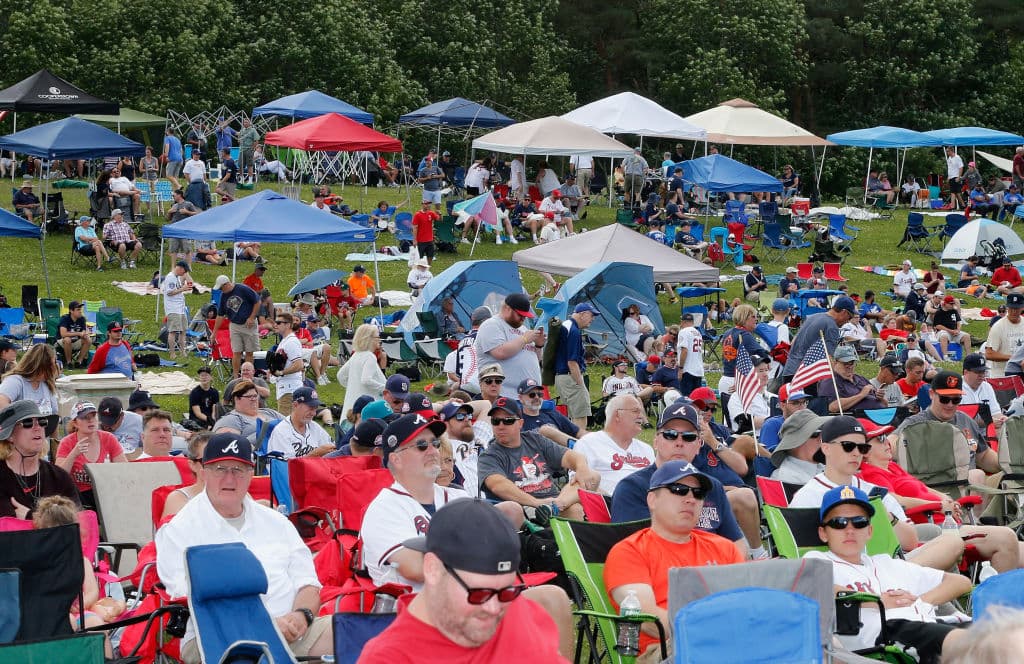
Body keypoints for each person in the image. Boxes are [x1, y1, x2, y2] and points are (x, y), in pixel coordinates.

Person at [156, 433, 332, 663]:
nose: (229, 478)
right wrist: (265, 626)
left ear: (251, 475)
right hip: (218, 637)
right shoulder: (180, 530)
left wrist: (301, 616)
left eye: (238, 469)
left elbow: (308, 584)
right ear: (203, 472)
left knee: (356, 636)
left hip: (291, 632)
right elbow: (190, 598)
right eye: (220, 469)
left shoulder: (277, 523)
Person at [360, 499, 569, 663]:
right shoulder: (391, 658)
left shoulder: (511, 611)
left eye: (507, 591)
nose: (493, 608)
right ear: (433, 569)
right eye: (480, 593)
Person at [804, 485, 970, 662]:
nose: (850, 530)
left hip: (924, 626)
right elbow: (811, 585)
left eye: (859, 522)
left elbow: (961, 582)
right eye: (839, 523)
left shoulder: (886, 563)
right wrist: (878, 602)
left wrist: (919, 601)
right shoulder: (817, 560)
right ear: (823, 533)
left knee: (985, 632)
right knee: (968, 643)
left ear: (869, 531)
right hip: (883, 636)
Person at [604, 460, 745, 659]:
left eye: (698, 493)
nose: (691, 499)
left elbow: (745, 605)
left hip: (732, 644)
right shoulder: (629, 552)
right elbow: (648, 620)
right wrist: (712, 634)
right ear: (652, 500)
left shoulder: (724, 548)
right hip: (667, 649)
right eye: (679, 490)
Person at [792, 416, 962, 571]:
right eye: (848, 446)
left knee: (952, 542)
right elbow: (802, 557)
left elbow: (910, 542)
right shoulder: (808, 496)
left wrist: (884, 514)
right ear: (826, 448)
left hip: (889, 564)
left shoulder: (873, 491)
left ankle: (899, 576)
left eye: (862, 448)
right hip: (841, 572)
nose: (856, 453)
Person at [858, 417, 1022, 572]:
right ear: (864, 450)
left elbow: (925, 488)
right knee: (1006, 537)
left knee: (1016, 546)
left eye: (886, 436)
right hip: (935, 531)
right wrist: (937, 506)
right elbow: (895, 501)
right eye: (879, 439)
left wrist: (946, 499)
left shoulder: (892, 467)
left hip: (948, 523)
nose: (887, 442)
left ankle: (1003, 590)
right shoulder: (871, 474)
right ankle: (994, 592)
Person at [610, 403, 745, 548]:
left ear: (699, 445)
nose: (679, 443)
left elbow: (737, 545)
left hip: (715, 561)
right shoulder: (632, 488)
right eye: (670, 435)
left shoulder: (712, 487)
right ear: (656, 442)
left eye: (688, 437)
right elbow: (634, 550)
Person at [477, 397, 601, 520]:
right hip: (526, 508)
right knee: (577, 509)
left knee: (593, 476)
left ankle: (555, 506)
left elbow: (571, 456)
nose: (501, 426)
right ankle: (556, 508)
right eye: (495, 421)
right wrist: (536, 503)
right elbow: (498, 485)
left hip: (555, 501)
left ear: (520, 423)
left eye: (508, 420)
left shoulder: (534, 439)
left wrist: (582, 468)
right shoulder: (489, 456)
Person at [0, 400, 75, 518]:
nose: (38, 427)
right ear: (10, 436)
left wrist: (31, 516)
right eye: (27, 423)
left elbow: (76, 521)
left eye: (42, 422)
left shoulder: (59, 477)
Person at [572, 395, 655, 495]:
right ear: (617, 415)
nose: (641, 416)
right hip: (608, 501)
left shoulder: (646, 449)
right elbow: (577, 484)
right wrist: (609, 499)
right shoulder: (589, 443)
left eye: (641, 412)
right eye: (635, 411)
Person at [55, 401, 127, 509]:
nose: (90, 420)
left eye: (93, 416)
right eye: (84, 417)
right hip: (79, 498)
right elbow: (58, 478)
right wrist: (73, 455)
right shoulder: (67, 442)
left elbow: (124, 470)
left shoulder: (109, 438)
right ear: (75, 423)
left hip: (106, 493)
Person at [475, 293, 544, 400]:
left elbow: (536, 360)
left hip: (528, 396)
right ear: (507, 309)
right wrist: (524, 339)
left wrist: (539, 345)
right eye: (520, 315)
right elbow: (500, 352)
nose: (523, 319)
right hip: (505, 396)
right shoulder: (492, 325)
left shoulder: (523, 329)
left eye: (525, 316)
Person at [554, 303, 599, 430]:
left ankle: (571, 440)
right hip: (570, 377)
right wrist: (580, 384)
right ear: (582, 314)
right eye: (591, 315)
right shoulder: (574, 331)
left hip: (561, 376)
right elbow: (572, 362)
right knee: (580, 417)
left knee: (573, 417)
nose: (593, 319)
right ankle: (578, 442)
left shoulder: (565, 325)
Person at [211, 275, 261, 379]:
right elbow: (220, 315)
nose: (221, 290)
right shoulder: (223, 296)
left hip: (248, 324)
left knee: (249, 352)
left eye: (221, 288)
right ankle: (235, 376)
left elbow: (257, 301)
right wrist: (214, 332)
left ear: (227, 284)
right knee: (236, 351)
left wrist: (252, 317)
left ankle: (248, 376)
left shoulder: (243, 289)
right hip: (234, 325)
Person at [817, 345, 889, 413]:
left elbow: (885, 404)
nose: (849, 366)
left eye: (852, 363)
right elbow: (832, 407)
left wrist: (881, 398)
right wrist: (861, 395)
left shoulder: (860, 379)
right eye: (845, 363)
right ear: (835, 362)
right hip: (858, 418)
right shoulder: (830, 381)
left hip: (882, 414)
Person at [265, 387, 333, 459]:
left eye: (315, 409)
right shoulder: (281, 432)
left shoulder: (314, 427)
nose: (314, 413)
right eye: (310, 408)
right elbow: (286, 465)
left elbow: (332, 448)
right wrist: (314, 455)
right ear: (295, 405)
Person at [336, 324, 386, 414]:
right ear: (369, 339)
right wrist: (385, 388)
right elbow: (366, 380)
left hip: (352, 405)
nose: (380, 339)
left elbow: (340, 375)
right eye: (377, 337)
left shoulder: (356, 355)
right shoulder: (370, 356)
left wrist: (353, 387)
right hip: (366, 408)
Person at [161, 432, 212, 519]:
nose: (216, 467)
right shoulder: (179, 499)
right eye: (207, 461)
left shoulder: (233, 495)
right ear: (192, 465)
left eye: (222, 461)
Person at [769, 408, 828, 484]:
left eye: (824, 432)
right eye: (816, 434)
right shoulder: (786, 478)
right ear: (796, 442)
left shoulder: (824, 467)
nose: (821, 438)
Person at [517, 378, 580, 446]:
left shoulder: (551, 413)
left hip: (566, 450)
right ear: (521, 398)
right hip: (538, 451)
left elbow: (578, 432)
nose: (537, 397)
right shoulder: (517, 421)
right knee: (546, 430)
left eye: (540, 394)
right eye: (532, 395)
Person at [267, 312, 304, 415]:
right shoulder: (285, 341)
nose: (275, 325)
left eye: (279, 323)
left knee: (286, 420)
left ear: (288, 325)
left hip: (290, 388)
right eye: (275, 322)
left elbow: (299, 365)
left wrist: (281, 372)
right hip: (285, 387)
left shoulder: (292, 342)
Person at [985, 292, 1024, 376]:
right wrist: (1014, 358)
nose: (1014, 311)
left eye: (1017, 308)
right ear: (1007, 308)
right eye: (1011, 308)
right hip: (1002, 375)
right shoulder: (998, 326)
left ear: (1022, 308)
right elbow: (989, 353)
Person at [162, 261, 192, 360]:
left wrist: (184, 288)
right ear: (180, 268)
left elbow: (178, 289)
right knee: (173, 331)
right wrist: (183, 289)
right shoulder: (170, 277)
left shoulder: (177, 277)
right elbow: (169, 292)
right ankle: (172, 353)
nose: (185, 273)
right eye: (185, 271)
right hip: (173, 308)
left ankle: (183, 351)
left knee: (183, 330)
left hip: (181, 308)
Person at [57, 300, 92, 368]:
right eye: (78, 309)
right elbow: (63, 334)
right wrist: (78, 333)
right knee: (67, 340)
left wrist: (85, 334)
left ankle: (78, 362)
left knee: (88, 339)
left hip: (76, 341)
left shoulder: (82, 319)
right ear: (71, 311)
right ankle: (69, 362)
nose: (80, 311)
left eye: (80, 309)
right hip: (62, 341)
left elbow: (83, 331)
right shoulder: (65, 318)